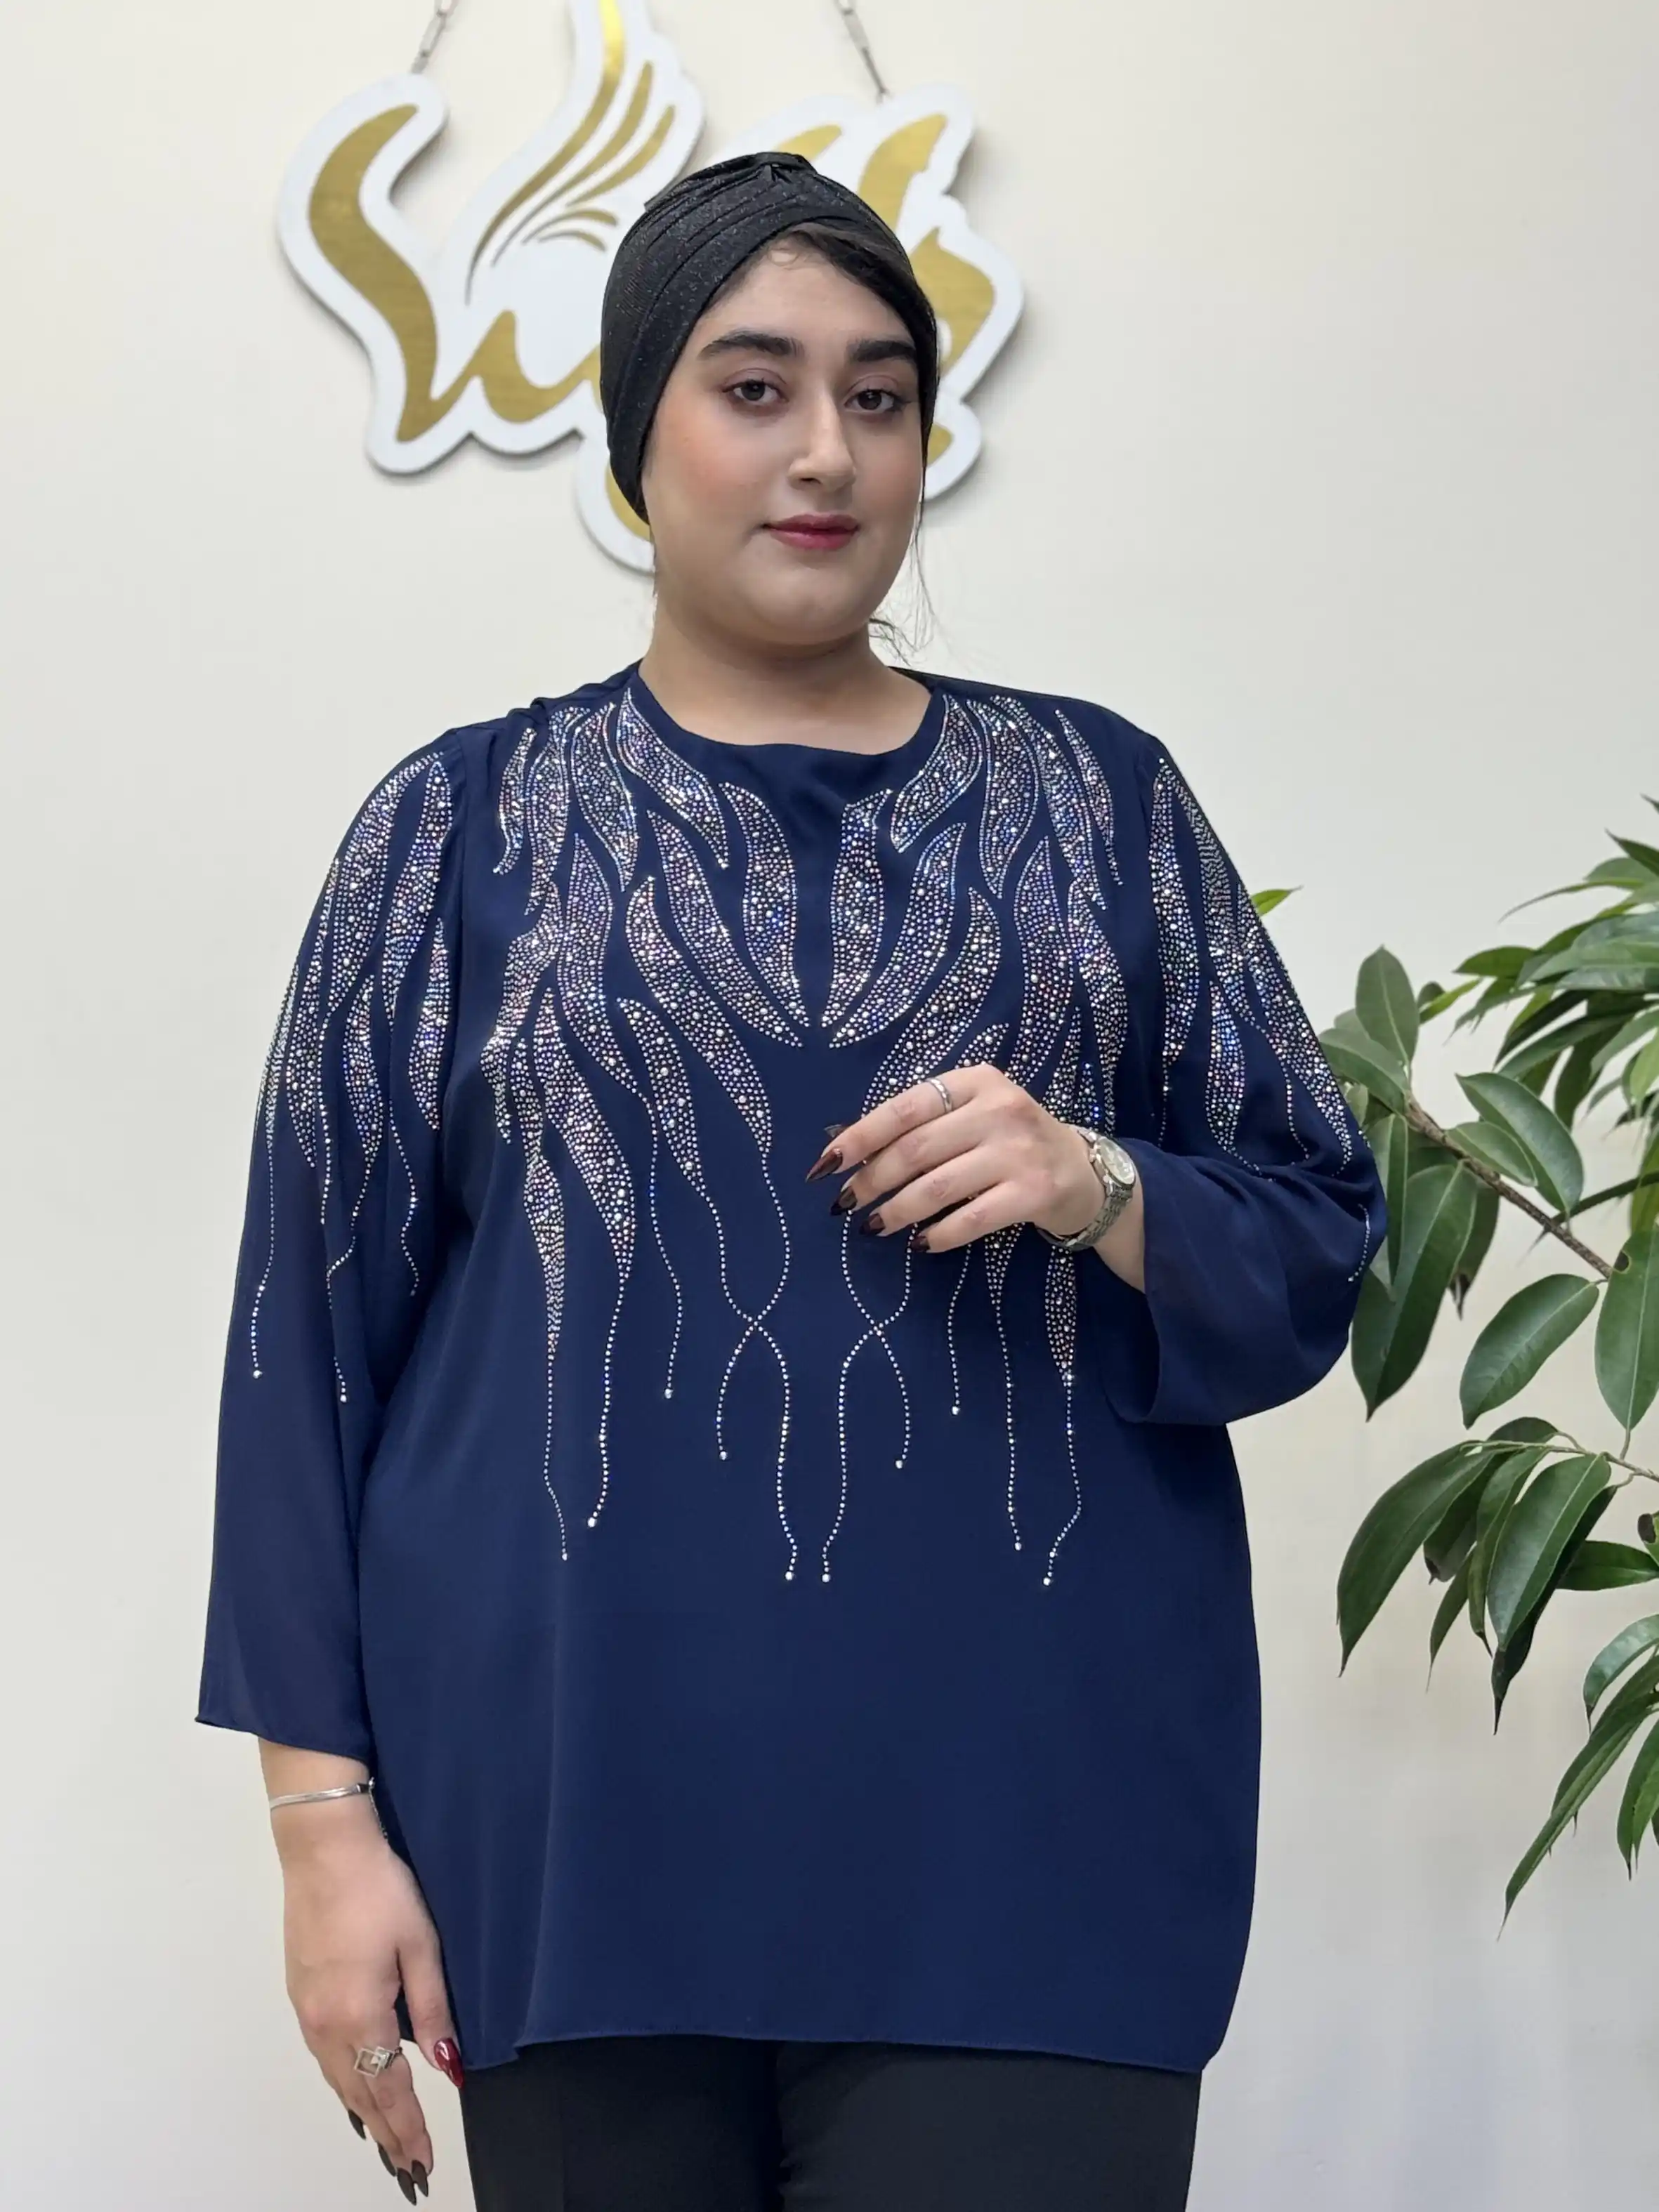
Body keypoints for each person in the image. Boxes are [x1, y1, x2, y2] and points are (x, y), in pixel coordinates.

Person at [196, 150, 1386, 2211]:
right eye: (754, 388)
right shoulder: (460, 829)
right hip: (572, 1846)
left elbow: (1309, 1240)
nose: (828, 449)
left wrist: (1097, 1179)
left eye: (880, 394)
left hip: (1031, 1848)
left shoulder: (1098, 803)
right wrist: (324, 1831)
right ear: (634, 433)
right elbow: (306, 1352)